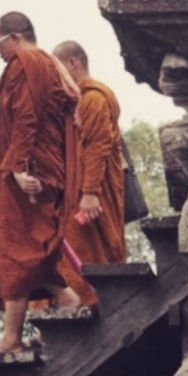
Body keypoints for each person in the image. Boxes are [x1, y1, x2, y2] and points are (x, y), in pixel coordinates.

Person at [0, 11, 86, 354]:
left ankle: (11, 338)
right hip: (46, 169)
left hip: (29, 175)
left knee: (13, 249)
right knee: (32, 249)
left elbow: (26, 118)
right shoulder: (51, 65)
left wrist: (19, 168)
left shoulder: (25, 62)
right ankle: (67, 299)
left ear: (13, 37)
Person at [53, 41, 128, 285]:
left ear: (72, 63)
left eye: (58, 69)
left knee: (94, 253)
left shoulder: (94, 98)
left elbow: (98, 146)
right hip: (78, 191)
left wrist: (90, 192)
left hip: (92, 194)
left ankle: (95, 302)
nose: (55, 78)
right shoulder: (77, 101)